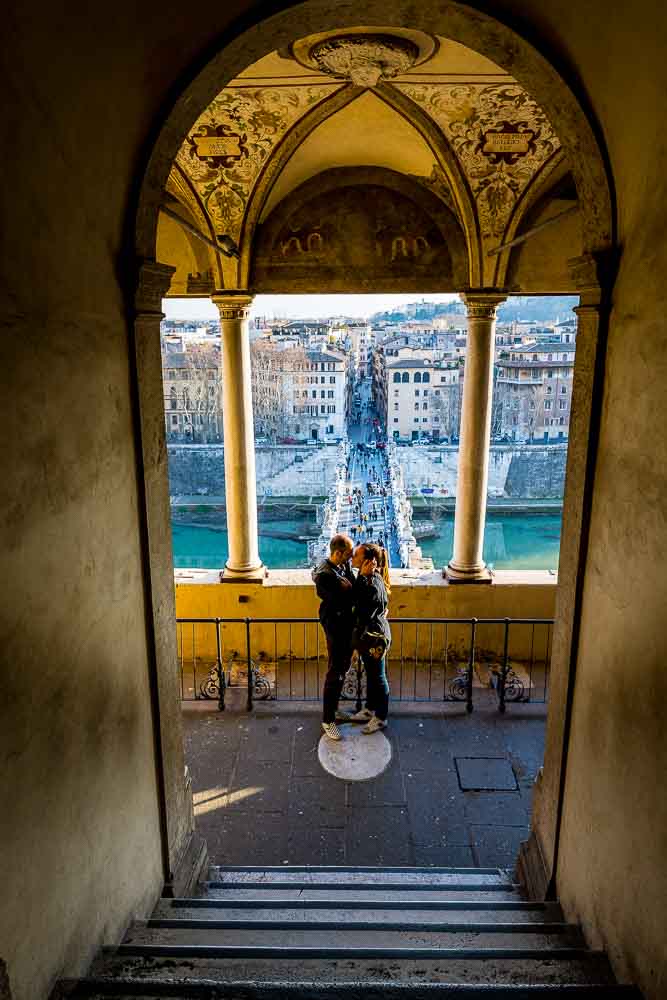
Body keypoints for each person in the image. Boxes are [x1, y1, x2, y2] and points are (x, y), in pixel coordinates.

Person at [312, 534, 355, 741]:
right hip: (335, 626)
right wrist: (346, 589)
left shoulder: (342, 567)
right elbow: (335, 597)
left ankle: (335, 708)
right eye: (348, 554)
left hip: (345, 624)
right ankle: (328, 719)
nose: (352, 557)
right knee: (335, 671)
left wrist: (348, 588)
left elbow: (351, 588)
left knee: (343, 667)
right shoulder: (324, 575)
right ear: (338, 553)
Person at [350, 542, 392, 734]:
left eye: (356, 555)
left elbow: (360, 608)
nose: (352, 557)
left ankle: (381, 716)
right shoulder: (369, 579)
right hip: (370, 638)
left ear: (368, 562)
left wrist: (362, 578)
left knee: (378, 677)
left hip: (375, 639)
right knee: (372, 675)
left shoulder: (372, 583)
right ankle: (369, 709)